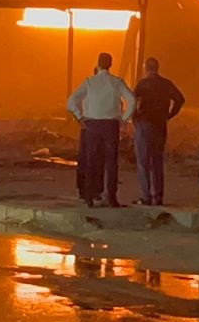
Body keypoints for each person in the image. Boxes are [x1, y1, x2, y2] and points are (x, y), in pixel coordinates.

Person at [65, 52, 134, 208]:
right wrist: (124, 119)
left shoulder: (90, 82)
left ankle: (89, 197)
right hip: (111, 125)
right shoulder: (117, 82)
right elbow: (132, 100)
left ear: (98, 64)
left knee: (91, 161)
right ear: (111, 64)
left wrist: (80, 117)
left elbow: (71, 101)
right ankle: (112, 197)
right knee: (111, 162)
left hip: (92, 126)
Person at [130, 57, 186, 206]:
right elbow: (180, 99)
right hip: (160, 126)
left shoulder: (142, 84)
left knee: (143, 162)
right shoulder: (166, 84)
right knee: (157, 161)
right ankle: (158, 196)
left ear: (145, 67)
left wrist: (134, 119)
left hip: (144, 124)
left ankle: (146, 196)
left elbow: (132, 102)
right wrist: (169, 115)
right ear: (157, 67)